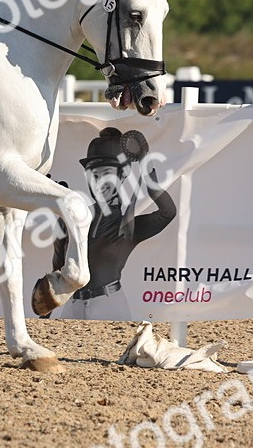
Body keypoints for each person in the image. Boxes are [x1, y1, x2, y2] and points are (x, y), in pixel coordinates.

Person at [32, 127, 177, 317]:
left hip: (109, 305)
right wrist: (46, 311)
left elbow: (167, 213)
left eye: (107, 174)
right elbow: (58, 268)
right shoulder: (70, 218)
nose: (99, 182)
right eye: (95, 175)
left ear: (123, 174)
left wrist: (145, 166)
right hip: (72, 304)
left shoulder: (127, 227)